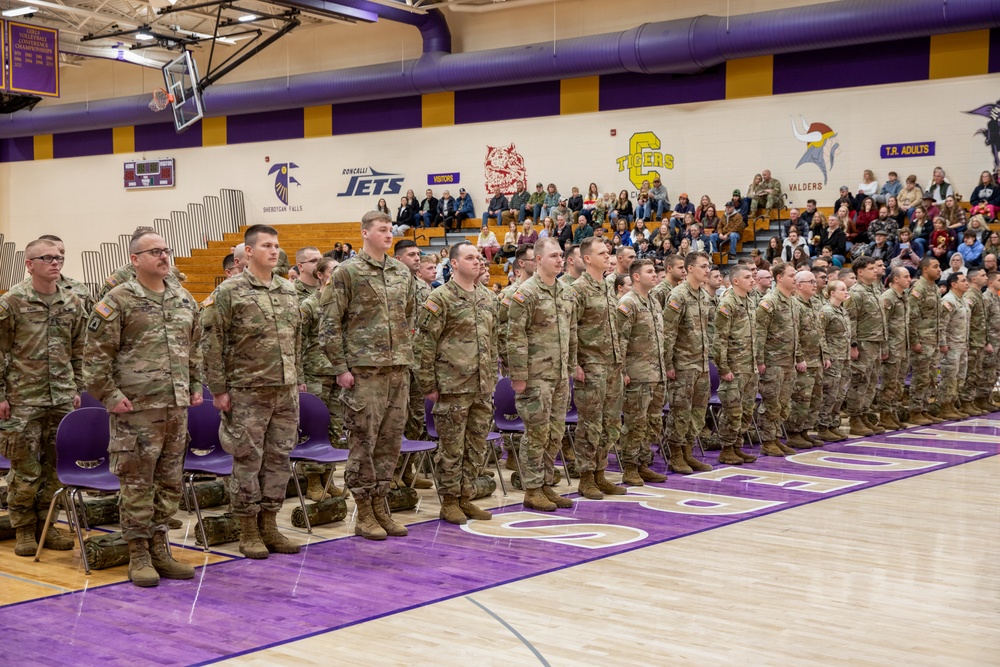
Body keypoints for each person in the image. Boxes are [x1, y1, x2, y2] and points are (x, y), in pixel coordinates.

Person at [84, 230, 202, 586]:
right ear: (135, 260)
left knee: (169, 482)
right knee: (137, 482)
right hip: (135, 410)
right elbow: (93, 359)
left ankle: (160, 548)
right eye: (155, 252)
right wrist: (109, 396)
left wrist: (195, 387)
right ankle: (137, 554)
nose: (164, 257)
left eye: (166, 250)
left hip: (176, 408)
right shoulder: (117, 301)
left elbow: (194, 351)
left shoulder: (184, 299)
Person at [202, 225, 303, 557]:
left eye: (276, 245)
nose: (273, 251)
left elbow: (296, 340)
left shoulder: (288, 291)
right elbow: (212, 344)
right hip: (246, 391)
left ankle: (270, 525)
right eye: (265, 246)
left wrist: (297, 377)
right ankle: (247, 529)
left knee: (278, 458)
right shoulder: (229, 292)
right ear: (248, 252)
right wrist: (218, 389)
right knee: (247, 460)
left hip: (285, 390)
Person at [320, 211, 416, 540]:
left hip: (397, 370)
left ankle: (381, 505)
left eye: (391, 229)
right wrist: (341, 368)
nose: (389, 234)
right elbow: (330, 324)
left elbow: (409, 317)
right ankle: (363, 512)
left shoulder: (402, 272)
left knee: (389, 444)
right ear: (364, 233)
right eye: (382, 229)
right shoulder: (348, 272)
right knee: (363, 442)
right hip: (363, 372)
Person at [0, 239, 85, 558]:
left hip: (62, 397)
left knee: (54, 468)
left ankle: (46, 527)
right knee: (25, 469)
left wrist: (77, 386)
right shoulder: (12, 302)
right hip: (23, 399)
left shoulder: (73, 302)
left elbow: (79, 349)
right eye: (47, 257)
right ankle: (23, 530)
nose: (55, 262)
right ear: (29, 264)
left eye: (60, 257)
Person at [416, 242, 497, 525]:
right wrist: (428, 384)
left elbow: (493, 340)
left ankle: (466, 497)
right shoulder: (440, 298)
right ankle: (449, 501)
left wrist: (492, 378)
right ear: (454, 264)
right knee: (451, 448)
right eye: (470, 258)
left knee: (476, 446)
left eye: (479, 258)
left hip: (482, 386)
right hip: (452, 386)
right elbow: (424, 345)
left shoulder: (488, 297)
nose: (478, 262)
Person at [506, 237, 577, 512]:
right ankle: (532, 489)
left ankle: (547, 484)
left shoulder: (566, 291)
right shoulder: (526, 292)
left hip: (559, 375)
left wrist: (570, 368)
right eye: (554, 256)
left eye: (561, 255)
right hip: (535, 376)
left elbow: (571, 333)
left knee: (555, 433)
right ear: (538, 260)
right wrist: (519, 375)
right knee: (536, 433)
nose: (560, 260)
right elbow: (515, 337)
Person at [570, 237, 629, 497]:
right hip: (591, 365)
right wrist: (575, 363)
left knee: (611, 423)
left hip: (613, 365)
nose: (608, 256)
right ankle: (585, 477)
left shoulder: (607, 287)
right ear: (587, 259)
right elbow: (571, 329)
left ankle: (600, 473)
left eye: (608, 252)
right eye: (602, 253)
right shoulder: (577, 290)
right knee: (590, 425)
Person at [661, 252, 714, 474]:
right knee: (680, 412)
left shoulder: (704, 295)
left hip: (701, 363)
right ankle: (675, 455)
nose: (707, 270)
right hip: (682, 363)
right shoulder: (678, 295)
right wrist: (668, 363)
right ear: (690, 268)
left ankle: (688, 452)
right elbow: (668, 331)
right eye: (703, 266)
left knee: (698, 412)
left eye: (708, 266)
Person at [616, 259, 668, 483]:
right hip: (637, 375)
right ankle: (629, 467)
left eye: (655, 271)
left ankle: (643, 463)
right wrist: (623, 371)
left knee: (652, 421)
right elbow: (620, 341)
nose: (655, 275)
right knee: (635, 422)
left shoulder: (654, 302)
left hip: (656, 373)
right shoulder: (628, 303)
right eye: (649, 272)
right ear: (636, 276)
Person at [298, 258, 344, 500]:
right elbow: (298, 341)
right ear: (321, 276)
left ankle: (329, 478)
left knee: (335, 427)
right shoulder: (309, 304)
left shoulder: (341, 303)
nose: (338, 274)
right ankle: (313, 481)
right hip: (314, 374)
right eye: (334, 271)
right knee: (314, 428)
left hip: (338, 374)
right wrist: (299, 376)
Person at [712, 264, 759, 465]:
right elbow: (719, 338)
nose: (752, 279)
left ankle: (737, 446)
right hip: (734, 366)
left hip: (750, 365)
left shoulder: (749, 301)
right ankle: (727, 448)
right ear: (736, 281)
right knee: (732, 410)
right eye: (747, 277)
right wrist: (723, 368)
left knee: (747, 410)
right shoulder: (727, 303)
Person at [755, 262, 802, 456]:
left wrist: (798, 356)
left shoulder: (793, 301)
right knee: (771, 404)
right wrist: (759, 360)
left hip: (788, 361)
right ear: (779, 278)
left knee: (783, 404)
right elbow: (759, 332)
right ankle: (767, 441)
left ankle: (775, 438)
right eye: (792, 275)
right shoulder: (769, 301)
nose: (795, 279)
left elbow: (795, 333)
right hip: (773, 361)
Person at [843, 256, 888, 436]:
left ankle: (864, 414)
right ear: (860, 272)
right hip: (862, 343)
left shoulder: (875, 289)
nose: (875, 270)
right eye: (871, 268)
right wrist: (853, 345)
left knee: (870, 382)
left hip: (876, 342)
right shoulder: (855, 293)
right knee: (859, 381)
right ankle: (854, 418)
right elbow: (850, 320)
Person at [784, 271, 829, 449]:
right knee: (801, 399)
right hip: (803, 361)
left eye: (814, 281)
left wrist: (825, 355)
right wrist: (799, 358)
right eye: (810, 282)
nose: (815, 284)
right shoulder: (795, 304)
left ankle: (805, 430)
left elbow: (820, 332)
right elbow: (794, 335)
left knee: (814, 398)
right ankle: (794, 433)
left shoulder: (815, 303)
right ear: (799, 285)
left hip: (816, 359)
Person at [816, 280, 852, 441]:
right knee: (830, 393)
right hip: (833, 358)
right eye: (842, 289)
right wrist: (825, 355)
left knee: (840, 393)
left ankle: (832, 424)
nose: (846, 292)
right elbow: (820, 334)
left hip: (844, 357)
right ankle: (823, 426)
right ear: (832, 293)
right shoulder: (826, 311)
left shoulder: (842, 311)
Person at [877, 266, 911, 430]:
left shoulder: (904, 296)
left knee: (898, 383)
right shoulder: (888, 297)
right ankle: (884, 415)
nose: (909, 279)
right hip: (892, 348)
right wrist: (884, 349)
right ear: (895, 279)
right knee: (889, 383)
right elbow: (883, 325)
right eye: (906, 276)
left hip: (903, 347)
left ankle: (892, 413)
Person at [936, 273, 971, 420]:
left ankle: (951, 404)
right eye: (963, 281)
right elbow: (941, 324)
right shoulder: (948, 301)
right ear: (954, 284)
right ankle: (944, 406)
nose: (967, 283)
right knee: (949, 377)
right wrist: (943, 344)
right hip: (950, 346)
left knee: (959, 377)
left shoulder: (962, 300)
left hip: (961, 345)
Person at [959, 268, 990, 415]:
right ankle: (965, 402)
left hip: (979, 341)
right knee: (970, 373)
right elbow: (966, 320)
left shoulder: (979, 295)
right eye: (983, 275)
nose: (986, 278)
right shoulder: (970, 296)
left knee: (976, 373)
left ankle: (971, 401)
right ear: (973, 279)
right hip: (971, 342)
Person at [35, 235, 94, 312]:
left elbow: (92, 321)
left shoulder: (80, 289)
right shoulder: (21, 291)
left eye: (62, 252)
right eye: (51, 252)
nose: (59, 256)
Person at [982, 271, 1000, 410]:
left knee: (995, 372)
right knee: (987, 371)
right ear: (991, 282)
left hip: (998, 339)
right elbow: (982, 322)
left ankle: (987, 398)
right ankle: (981, 399)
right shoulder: (986, 298)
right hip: (990, 341)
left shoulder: (997, 298)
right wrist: (986, 341)